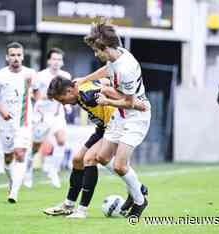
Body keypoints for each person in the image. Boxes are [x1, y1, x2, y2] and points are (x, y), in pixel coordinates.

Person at [77, 17, 151, 218]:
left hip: (136, 117)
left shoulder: (126, 68)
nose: (95, 53)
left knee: (119, 166)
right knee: (101, 157)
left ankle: (139, 201)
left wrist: (106, 101)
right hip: (121, 115)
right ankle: (137, 187)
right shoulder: (117, 56)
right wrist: (84, 79)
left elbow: (130, 102)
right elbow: (107, 70)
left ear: (106, 48)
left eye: (96, 50)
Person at [43, 76, 146, 218]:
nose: (63, 104)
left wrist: (135, 103)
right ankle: (68, 205)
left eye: (62, 100)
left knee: (90, 159)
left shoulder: (86, 93)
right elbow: (104, 80)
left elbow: (106, 87)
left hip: (114, 125)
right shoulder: (79, 89)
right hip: (102, 128)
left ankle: (82, 211)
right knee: (77, 160)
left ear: (69, 91)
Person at [0, 41, 37, 203]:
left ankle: (14, 192)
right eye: (13, 55)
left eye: (19, 55)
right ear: (7, 57)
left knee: (20, 154)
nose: (16, 58)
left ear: (23, 57)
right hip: (6, 123)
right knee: (8, 158)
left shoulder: (30, 74)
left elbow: (37, 94)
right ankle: (12, 181)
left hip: (24, 122)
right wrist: (2, 111)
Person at [28, 48, 71, 188]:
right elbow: (33, 95)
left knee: (62, 141)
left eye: (59, 59)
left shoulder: (66, 76)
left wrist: (67, 105)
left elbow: (68, 94)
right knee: (35, 147)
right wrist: (50, 96)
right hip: (41, 115)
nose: (56, 62)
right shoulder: (40, 76)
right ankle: (27, 171)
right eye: (54, 59)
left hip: (57, 114)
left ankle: (53, 170)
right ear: (48, 61)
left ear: (62, 62)